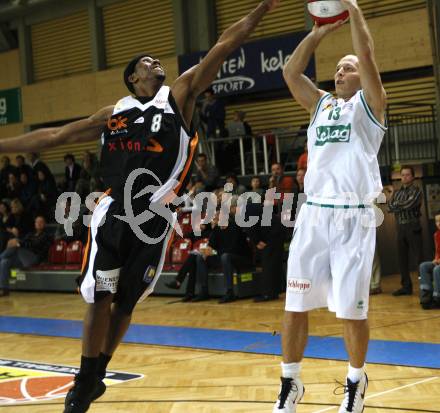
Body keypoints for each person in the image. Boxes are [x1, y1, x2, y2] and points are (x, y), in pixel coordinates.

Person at [0, 2, 279, 412]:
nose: (155, 62)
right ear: (134, 77)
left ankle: (97, 373)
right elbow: (56, 135)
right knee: (100, 297)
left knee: (124, 304)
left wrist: (261, 9)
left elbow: (223, 46)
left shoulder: (179, 94)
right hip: (114, 212)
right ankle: (84, 379)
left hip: (155, 218)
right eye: (147, 61)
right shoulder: (115, 111)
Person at [273, 1, 387, 412]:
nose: (341, 72)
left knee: (351, 311)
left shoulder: (372, 105)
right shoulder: (320, 104)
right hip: (314, 215)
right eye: (338, 67)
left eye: (348, 67)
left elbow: (368, 55)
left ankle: (356, 382)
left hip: (354, 217)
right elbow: (290, 72)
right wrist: (320, 30)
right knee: (295, 304)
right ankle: (290, 384)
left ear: (364, 77)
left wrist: (354, 10)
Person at [387, 166, 423, 296]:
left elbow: (410, 204)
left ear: (412, 177)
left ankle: (424, 287)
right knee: (402, 259)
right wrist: (396, 204)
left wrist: (396, 204)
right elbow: (389, 207)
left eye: (407, 175)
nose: (405, 177)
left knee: (418, 258)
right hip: (400, 227)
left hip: (413, 227)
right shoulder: (397, 192)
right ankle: (406, 287)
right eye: (402, 175)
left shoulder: (417, 190)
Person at [0, 215, 52, 297]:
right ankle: (4, 289)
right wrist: (18, 242)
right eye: (37, 222)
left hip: (34, 258)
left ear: (44, 224)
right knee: (4, 262)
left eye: (40, 222)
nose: (38, 223)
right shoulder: (30, 234)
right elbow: (24, 241)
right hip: (23, 258)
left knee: (15, 246)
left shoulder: (47, 235)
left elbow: (35, 245)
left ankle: (1, 256)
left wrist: (18, 243)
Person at [418, 212, 440, 309]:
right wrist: (435, 259)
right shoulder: (436, 235)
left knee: (437, 269)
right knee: (424, 266)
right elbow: (438, 252)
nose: (438, 223)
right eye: (437, 221)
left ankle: (437, 298)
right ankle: (427, 296)